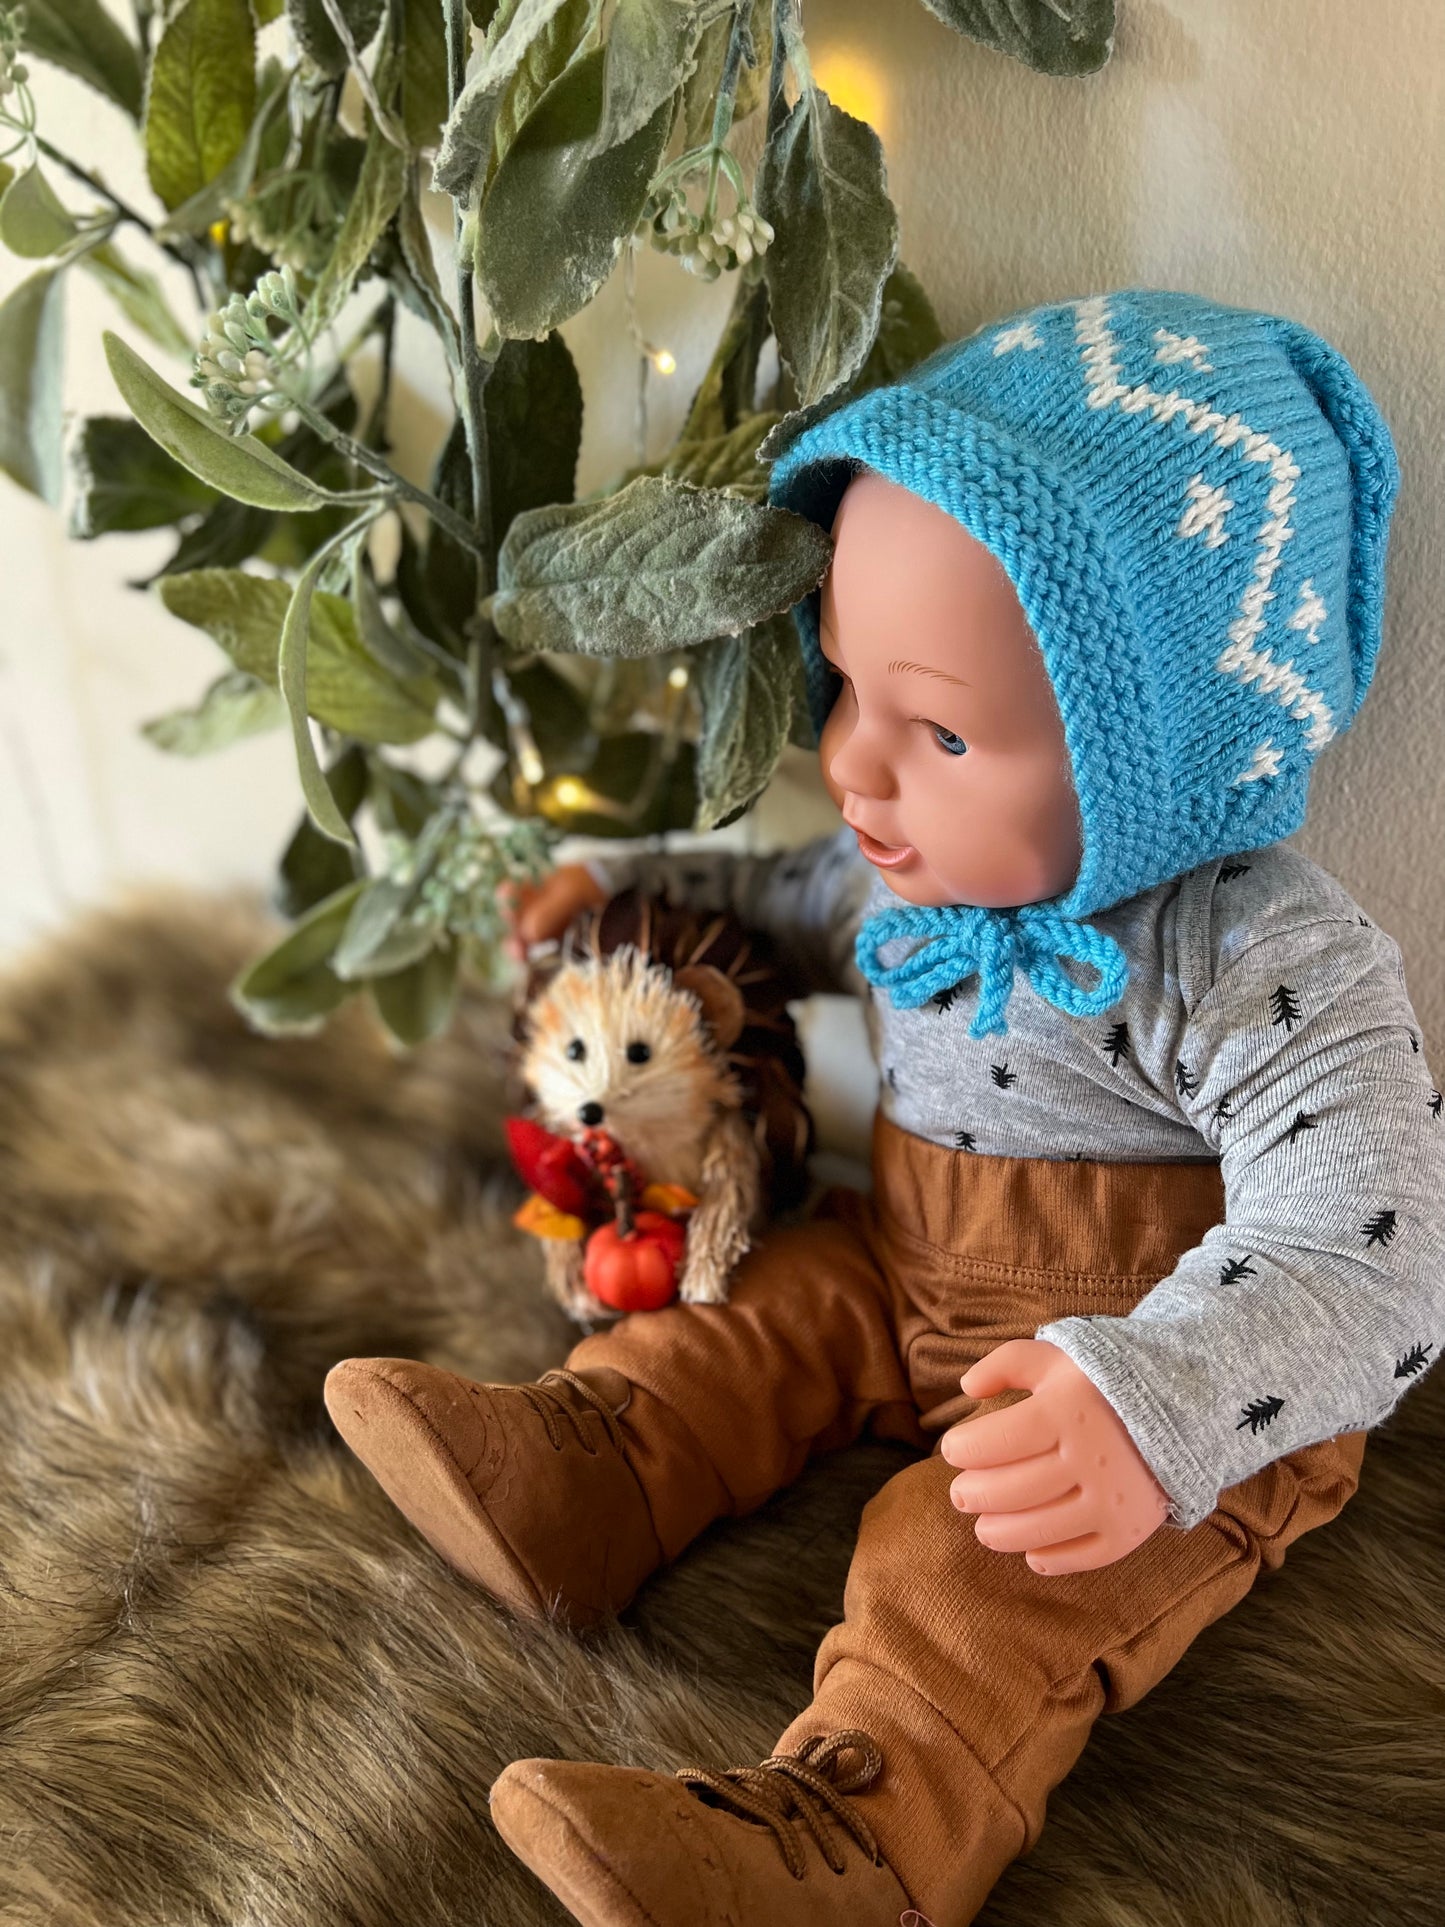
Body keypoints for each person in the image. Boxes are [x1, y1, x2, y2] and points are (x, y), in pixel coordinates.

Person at [325, 291, 1444, 1927]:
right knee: (754, 1317)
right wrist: (619, 896)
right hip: (904, 1259)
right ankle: (593, 1469)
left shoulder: (1254, 953)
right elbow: (779, 896)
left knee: (962, 1565)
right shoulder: (888, 865)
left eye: (935, 728)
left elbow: (1380, 1249)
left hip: (1137, 1377)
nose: (850, 766)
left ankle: (852, 1836)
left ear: (1154, 760)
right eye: (845, 685)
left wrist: (1154, 1407)